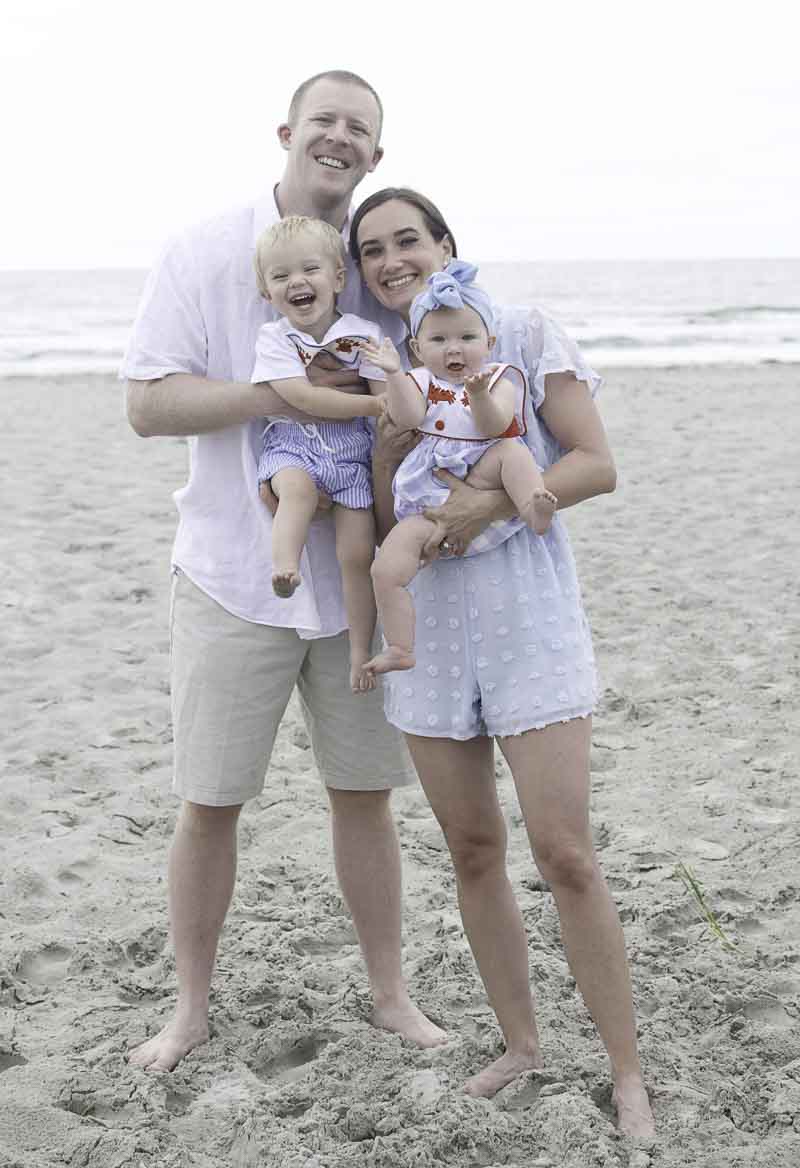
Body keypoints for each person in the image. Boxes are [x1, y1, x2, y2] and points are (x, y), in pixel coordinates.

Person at [121, 75, 446, 1074]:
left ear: (375, 157)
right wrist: (283, 396)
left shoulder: (384, 264)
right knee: (209, 801)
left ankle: (389, 996)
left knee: (364, 796)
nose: (338, 139)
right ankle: (188, 1008)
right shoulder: (205, 250)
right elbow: (147, 403)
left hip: (358, 581)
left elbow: (437, 395)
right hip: (231, 570)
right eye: (323, 124)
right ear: (287, 135)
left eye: (358, 129)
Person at [351, 188, 656, 1140]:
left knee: (566, 853)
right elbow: (385, 499)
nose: (392, 259)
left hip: (528, 617)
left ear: (445, 245)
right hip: (432, 630)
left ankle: (627, 1069)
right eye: (373, 250)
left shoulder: (519, 330)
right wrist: (393, 445)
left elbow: (596, 464)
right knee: (473, 851)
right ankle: (522, 1043)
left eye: (409, 240)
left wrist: (486, 505)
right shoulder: (396, 366)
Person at [357, 259, 556, 675]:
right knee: (385, 568)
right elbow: (410, 417)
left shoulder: (498, 377)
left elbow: (496, 426)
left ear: (490, 340)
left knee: (513, 454)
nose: (454, 348)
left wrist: (479, 394)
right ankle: (400, 647)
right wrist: (393, 374)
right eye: (439, 338)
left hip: (482, 469)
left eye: (467, 336)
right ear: (417, 348)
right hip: (430, 491)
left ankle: (531, 506)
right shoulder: (419, 380)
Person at [251, 214, 387, 692]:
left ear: (338, 277)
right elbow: (301, 398)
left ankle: (358, 653)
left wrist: (390, 392)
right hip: (296, 442)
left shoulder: (362, 331)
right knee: (297, 491)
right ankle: (284, 565)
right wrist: (374, 404)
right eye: (281, 276)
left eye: (309, 269)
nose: (297, 282)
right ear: (267, 292)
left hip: (353, 455)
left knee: (357, 554)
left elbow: (387, 386)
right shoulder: (275, 339)